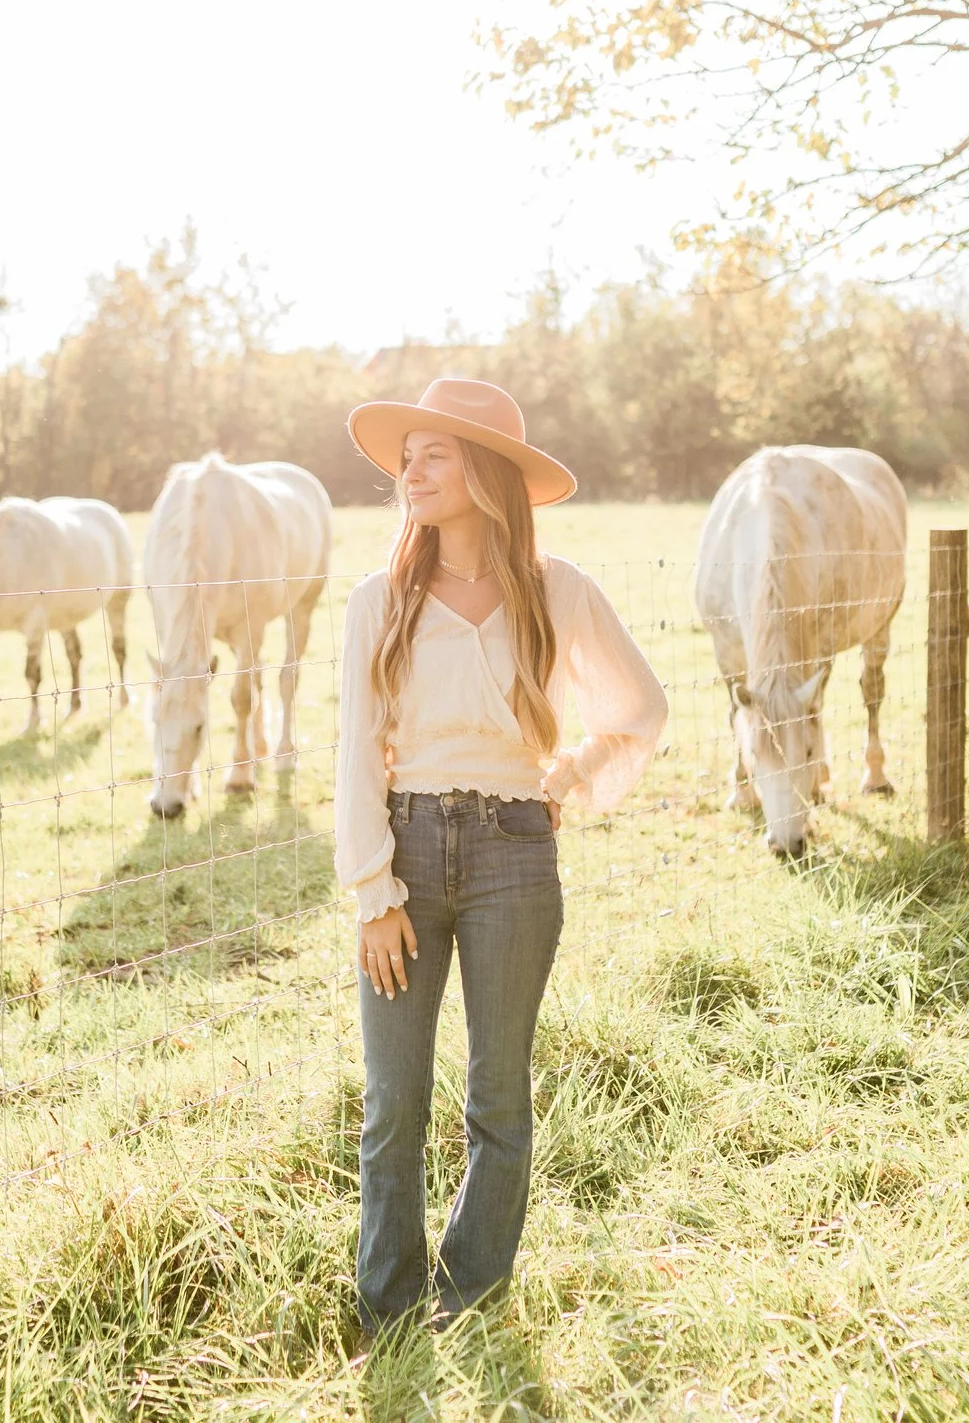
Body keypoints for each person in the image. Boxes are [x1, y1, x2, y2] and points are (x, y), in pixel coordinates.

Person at [335, 376, 668, 1334]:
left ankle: (469, 1293)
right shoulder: (379, 600)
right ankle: (388, 1309)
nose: (411, 471)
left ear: (486, 472)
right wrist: (373, 893)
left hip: (515, 857)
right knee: (395, 1099)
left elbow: (640, 709)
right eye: (407, 458)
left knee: (498, 1092)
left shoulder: (558, 591)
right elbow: (357, 749)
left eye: (433, 453)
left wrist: (565, 779)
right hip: (406, 850)